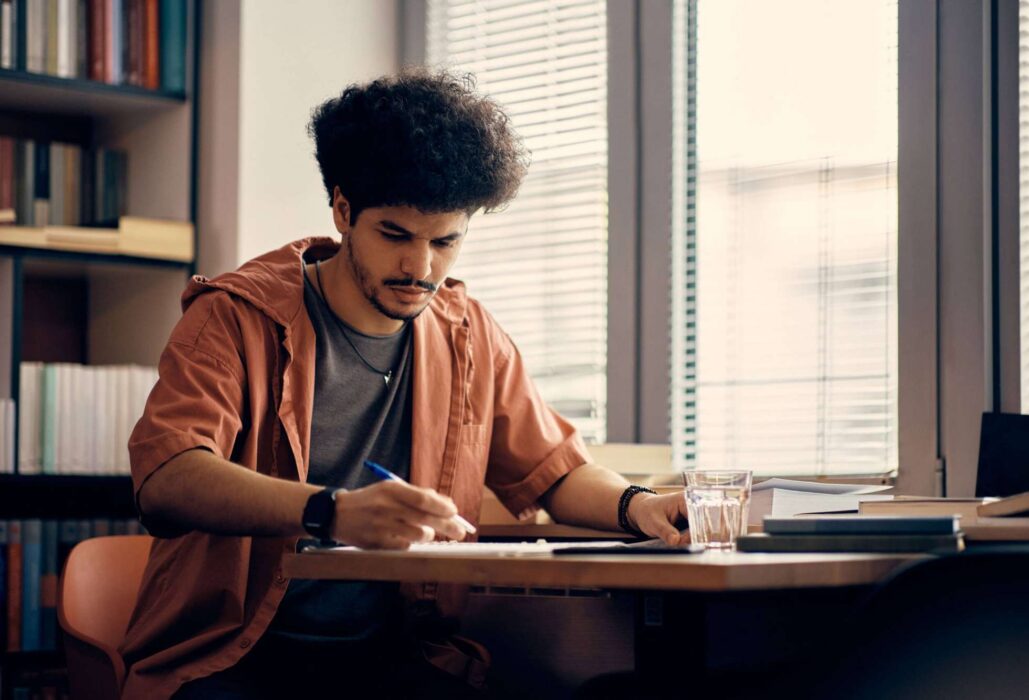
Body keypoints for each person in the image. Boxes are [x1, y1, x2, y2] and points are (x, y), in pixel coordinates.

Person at [117, 69, 688, 700]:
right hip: (233, 658)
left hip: (397, 658)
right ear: (342, 210)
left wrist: (641, 507)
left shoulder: (468, 334)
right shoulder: (234, 316)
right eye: (395, 235)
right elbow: (167, 478)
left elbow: (554, 470)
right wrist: (332, 511)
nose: (421, 267)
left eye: (446, 242)